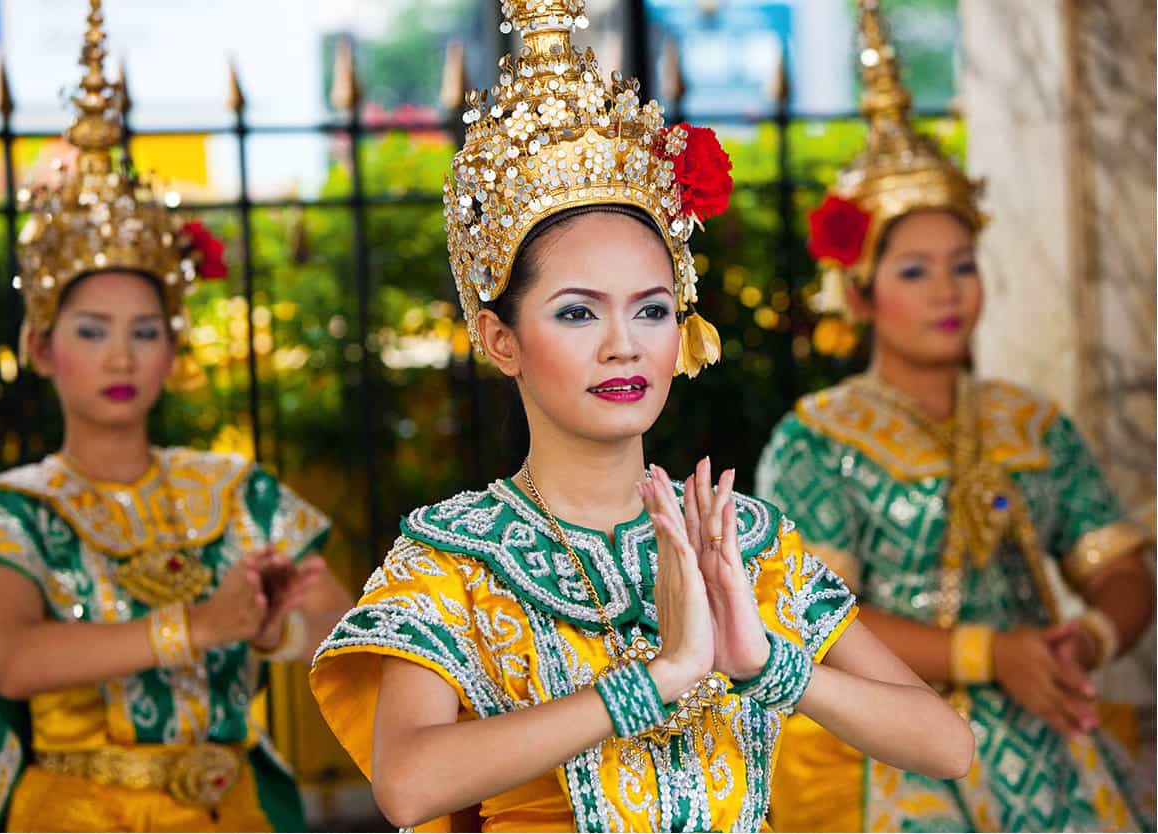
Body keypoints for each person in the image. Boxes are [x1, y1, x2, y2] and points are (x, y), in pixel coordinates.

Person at [309, 2, 974, 831]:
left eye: (652, 311)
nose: (625, 346)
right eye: (579, 314)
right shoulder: (455, 557)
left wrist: (767, 663)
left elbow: (945, 744)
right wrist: (653, 680)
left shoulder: (744, 542)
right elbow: (406, 783)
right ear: (500, 338)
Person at [756, 2, 1155, 831]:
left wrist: (1084, 642)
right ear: (859, 292)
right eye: (913, 270)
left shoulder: (1030, 421)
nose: (946, 291)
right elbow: (811, 615)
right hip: (891, 752)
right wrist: (986, 654)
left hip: (1054, 742)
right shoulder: (816, 437)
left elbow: (1115, 569)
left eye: (961, 266)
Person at [0, 3, 354, 830]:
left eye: (144, 333)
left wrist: (280, 621)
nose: (120, 358)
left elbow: (345, 626)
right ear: (42, 347)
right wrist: (198, 624)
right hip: (75, 813)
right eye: (92, 332)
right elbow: (14, 659)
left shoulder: (236, 493)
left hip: (231, 807)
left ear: (173, 352)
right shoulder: (10, 513)